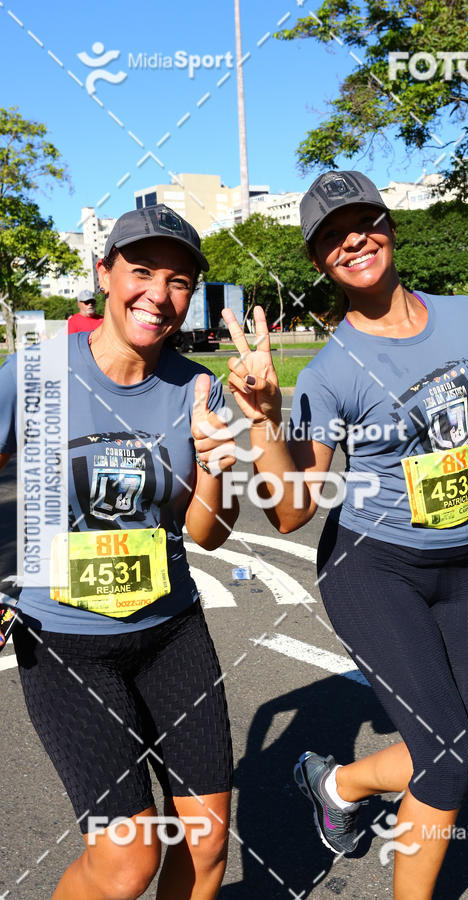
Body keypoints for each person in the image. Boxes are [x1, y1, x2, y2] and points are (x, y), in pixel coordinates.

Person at [222, 171, 468, 899]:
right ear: (318, 261)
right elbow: (294, 510)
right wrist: (266, 416)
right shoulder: (331, 372)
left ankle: (334, 785)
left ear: (390, 226)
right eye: (332, 235)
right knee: (447, 758)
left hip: (459, 566)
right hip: (372, 568)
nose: (352, 239)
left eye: (363, 221)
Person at [0, 203, 239, 900]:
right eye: (141, 273)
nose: (158, 296)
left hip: (172, 631)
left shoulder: (199, 387)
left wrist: (216, 464)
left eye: (180, 281)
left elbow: (207, 534)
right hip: (67, 643)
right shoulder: (38, 373)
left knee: (207, 842)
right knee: (130, 861)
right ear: (104, 274)